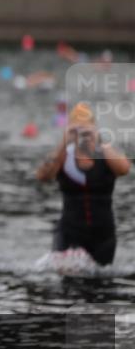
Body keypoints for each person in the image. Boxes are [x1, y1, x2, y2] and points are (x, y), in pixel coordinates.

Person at [36, 102, 129, 266]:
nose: (83, 135)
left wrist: (99, 140)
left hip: (102, 236)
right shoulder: (63, 157)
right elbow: (43, 176)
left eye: (86, 130)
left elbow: (124, 169)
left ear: (95, 128)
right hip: (69, 233)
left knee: (100, 283)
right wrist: (63, 143)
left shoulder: (106, 154)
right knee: (68, 281)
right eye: (78, 130)